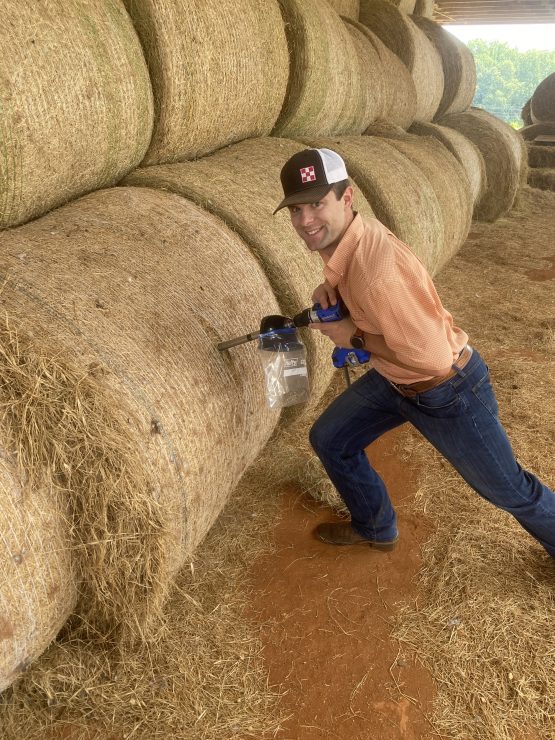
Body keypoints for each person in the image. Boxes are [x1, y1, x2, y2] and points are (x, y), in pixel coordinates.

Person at [273, 147, 555, 558]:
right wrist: (337, 295)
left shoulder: (376, 270)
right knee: (331, 438)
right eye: (296, 209)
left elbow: (429, 356)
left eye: (317, 204)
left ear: (347, 197)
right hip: (396, 379)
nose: (306, 220)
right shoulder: (351, 240)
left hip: (447, 389)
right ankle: (375, 525)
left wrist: (349, 335)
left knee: (511, 489)